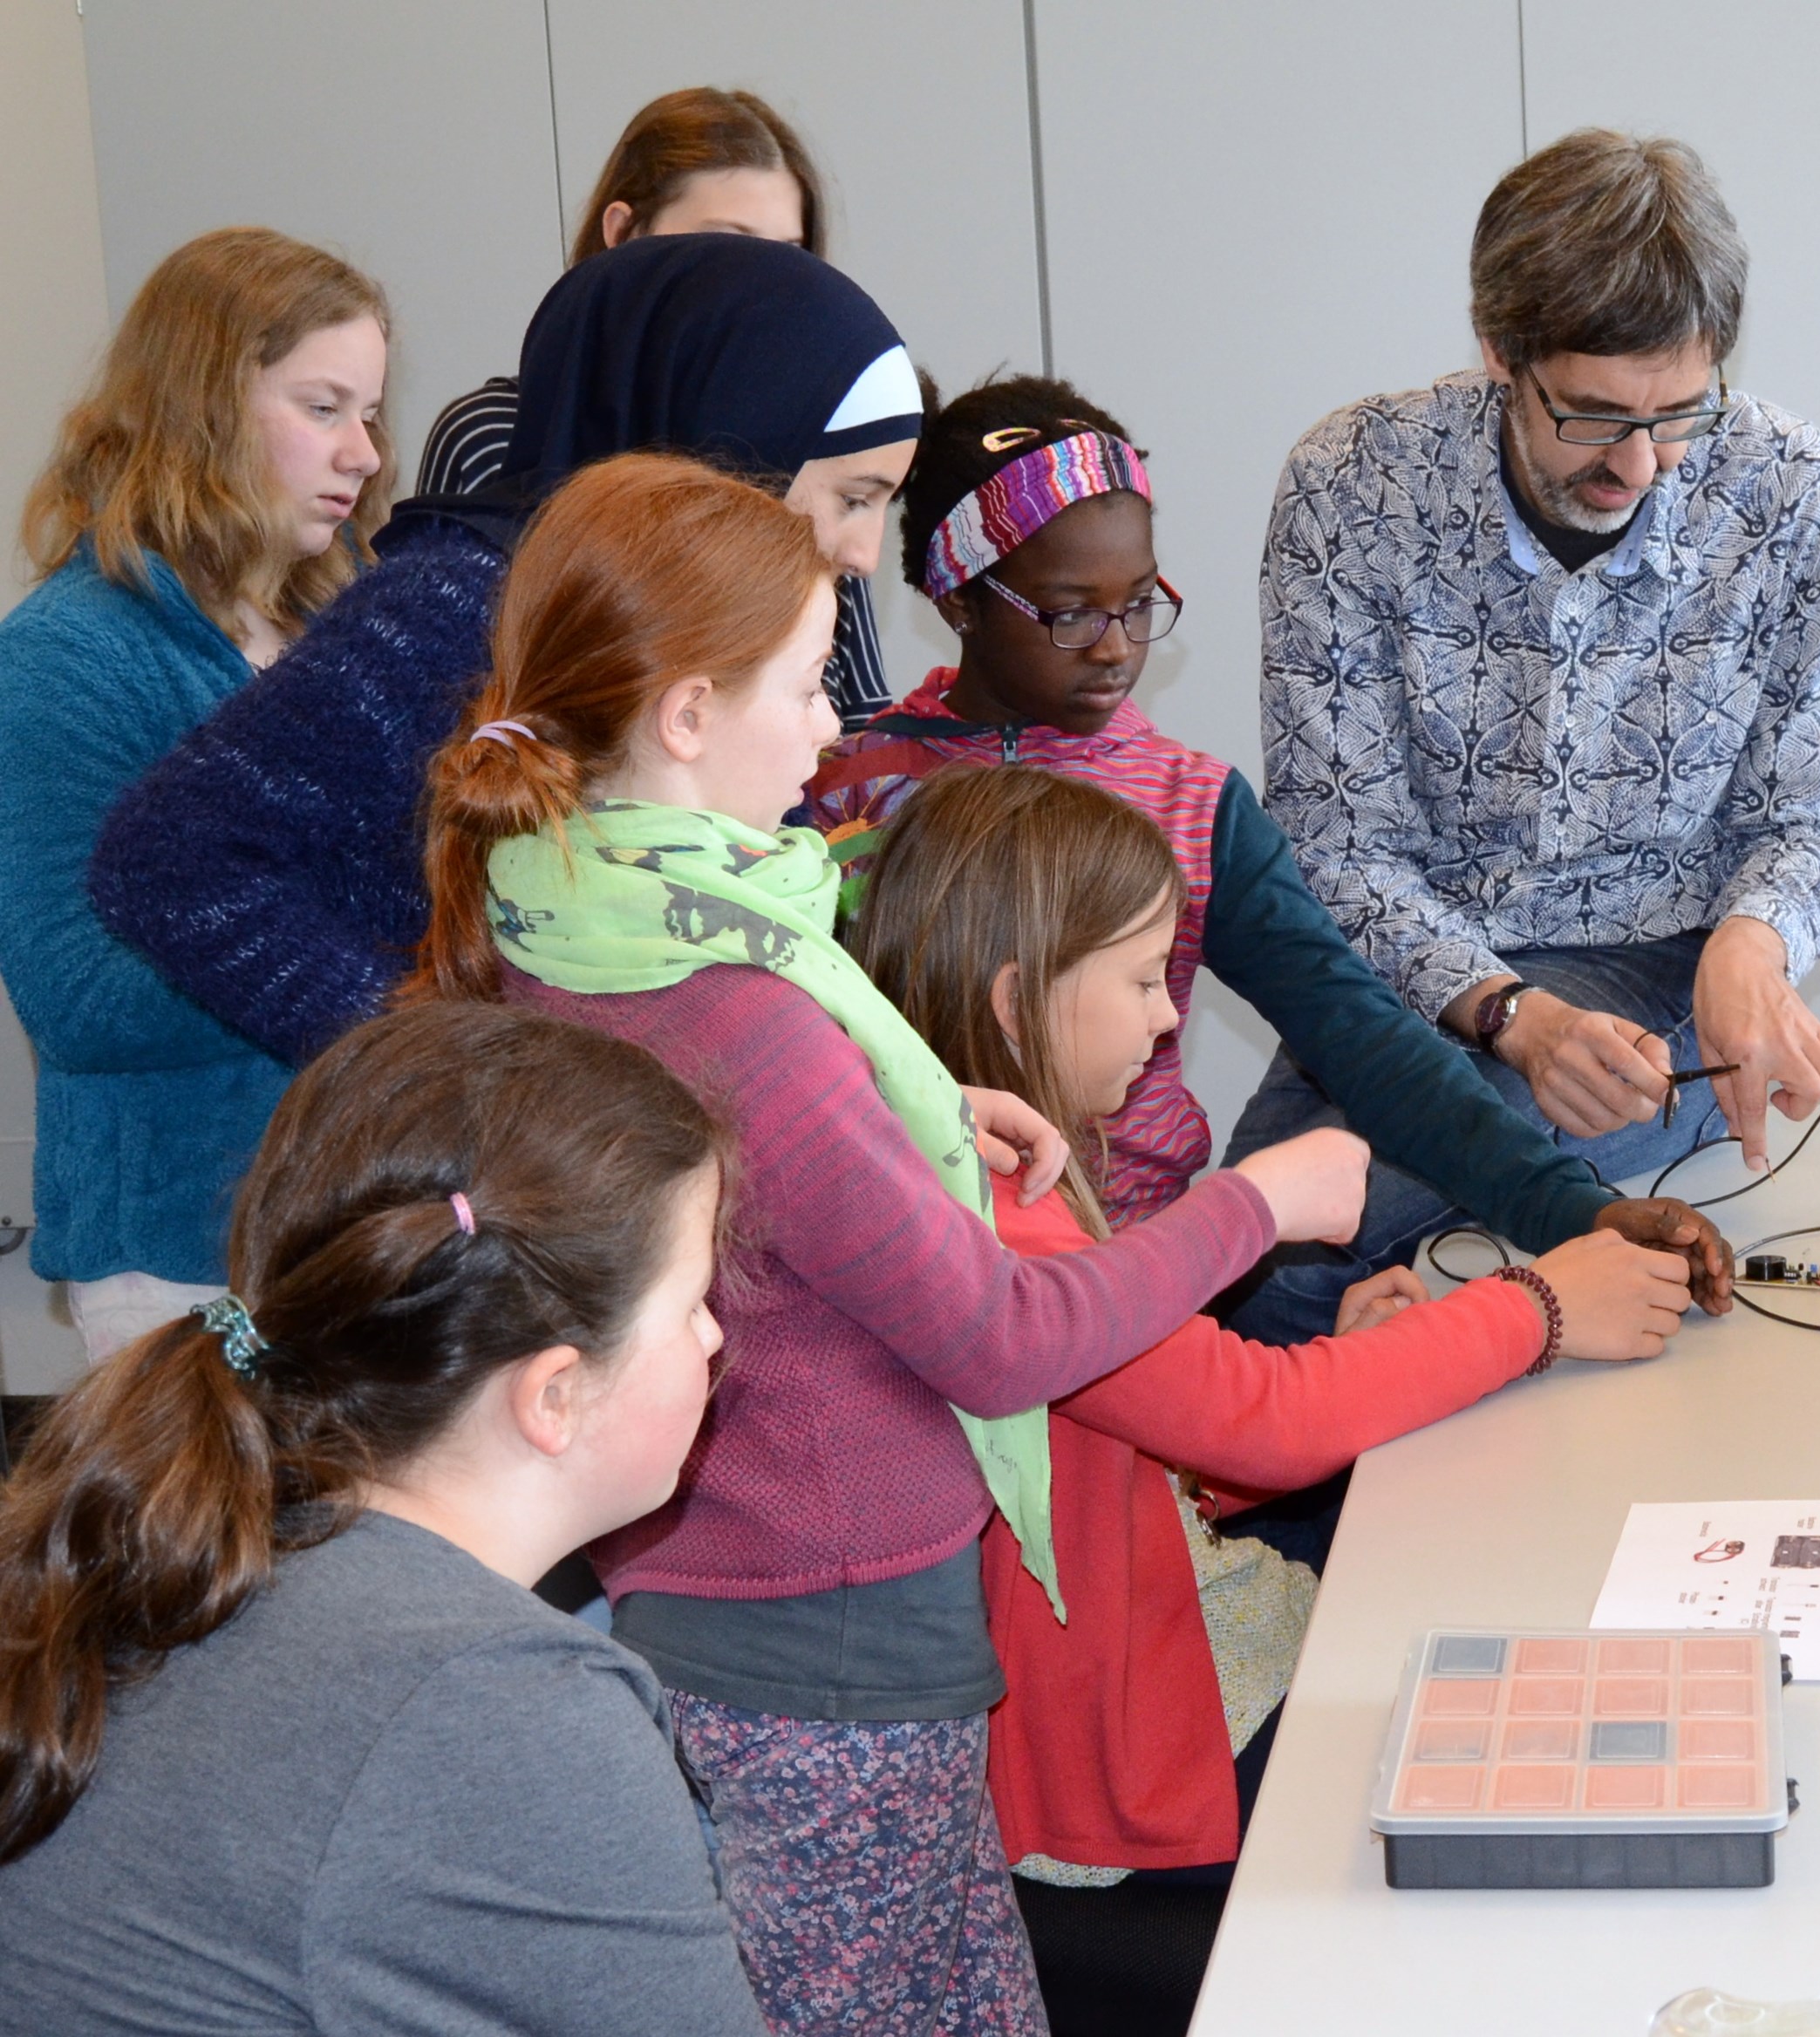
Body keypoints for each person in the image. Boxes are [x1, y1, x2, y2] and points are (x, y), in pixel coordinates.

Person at [407, 451, 1369, 2034]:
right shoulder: (746, 1011)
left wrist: (913, 1106)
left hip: (717, 1603)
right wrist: (1253, 1207)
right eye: (800, 686)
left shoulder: (566, 920)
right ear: (689, 713)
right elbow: (1000, 1337)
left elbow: (767, 1178)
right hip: (831, 1644)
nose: (830, 728)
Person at [850, 762, 1692, 2035]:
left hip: (1170, 1636)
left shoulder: (1003, 1174)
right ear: (1018, 1002)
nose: (1165, 1022)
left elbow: (1164, 1443)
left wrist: (1355, 1351)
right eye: (1140, 984)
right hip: (1121, 1752)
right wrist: (1539, 1309)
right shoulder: (999, 1226)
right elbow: (1261, 1417)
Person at [805, 373, 1732, 1343]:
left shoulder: (1189, 803)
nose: (1115, 649)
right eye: (1070, 613)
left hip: (1140, 1285)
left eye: (1138, 606)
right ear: (956, 598)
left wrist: (1574, 1211)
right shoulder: (841, 795)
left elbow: (1366, 1040)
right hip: (911, 1276)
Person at [0, 1000, 768, 2035]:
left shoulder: (189, 1532)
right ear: (552, 1395)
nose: (715, 1336)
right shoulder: (495, 1703)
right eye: (690, 1302)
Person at [1243, 128, 1820, 1335]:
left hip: (1665, 976)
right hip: (1414, 983)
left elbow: (1812, 810)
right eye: (1592, 416)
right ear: (1500, 348)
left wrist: (1754, 941)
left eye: (1681, 413)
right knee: (1256, 1264)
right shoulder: (1351, 485)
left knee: (1298, 1266)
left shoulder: (1799, 494)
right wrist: (1507, 1014)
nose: (1641, 463)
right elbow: (1332, 846)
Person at [91, 232, 924, 1081]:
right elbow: (171, 858)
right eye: (852, 497)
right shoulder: (458, 607)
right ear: (725, 438)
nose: (862, 551)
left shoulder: (697, 637)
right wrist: (445, 1062)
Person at [0, 228, 390, 1359]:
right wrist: (373, 968)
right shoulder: (65, 655)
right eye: (324, 408)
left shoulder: (339, 626)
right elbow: (77, 995)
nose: (364, 452)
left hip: (357, 1219)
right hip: (183, 1256)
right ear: (206, 408)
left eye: (368, 413)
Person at [416, 85, 890, 724]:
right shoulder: (490, 433)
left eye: (789, 254)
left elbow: (853, 723)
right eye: (730, 248)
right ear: (623, 235)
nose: (770, 286)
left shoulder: (808, 462)